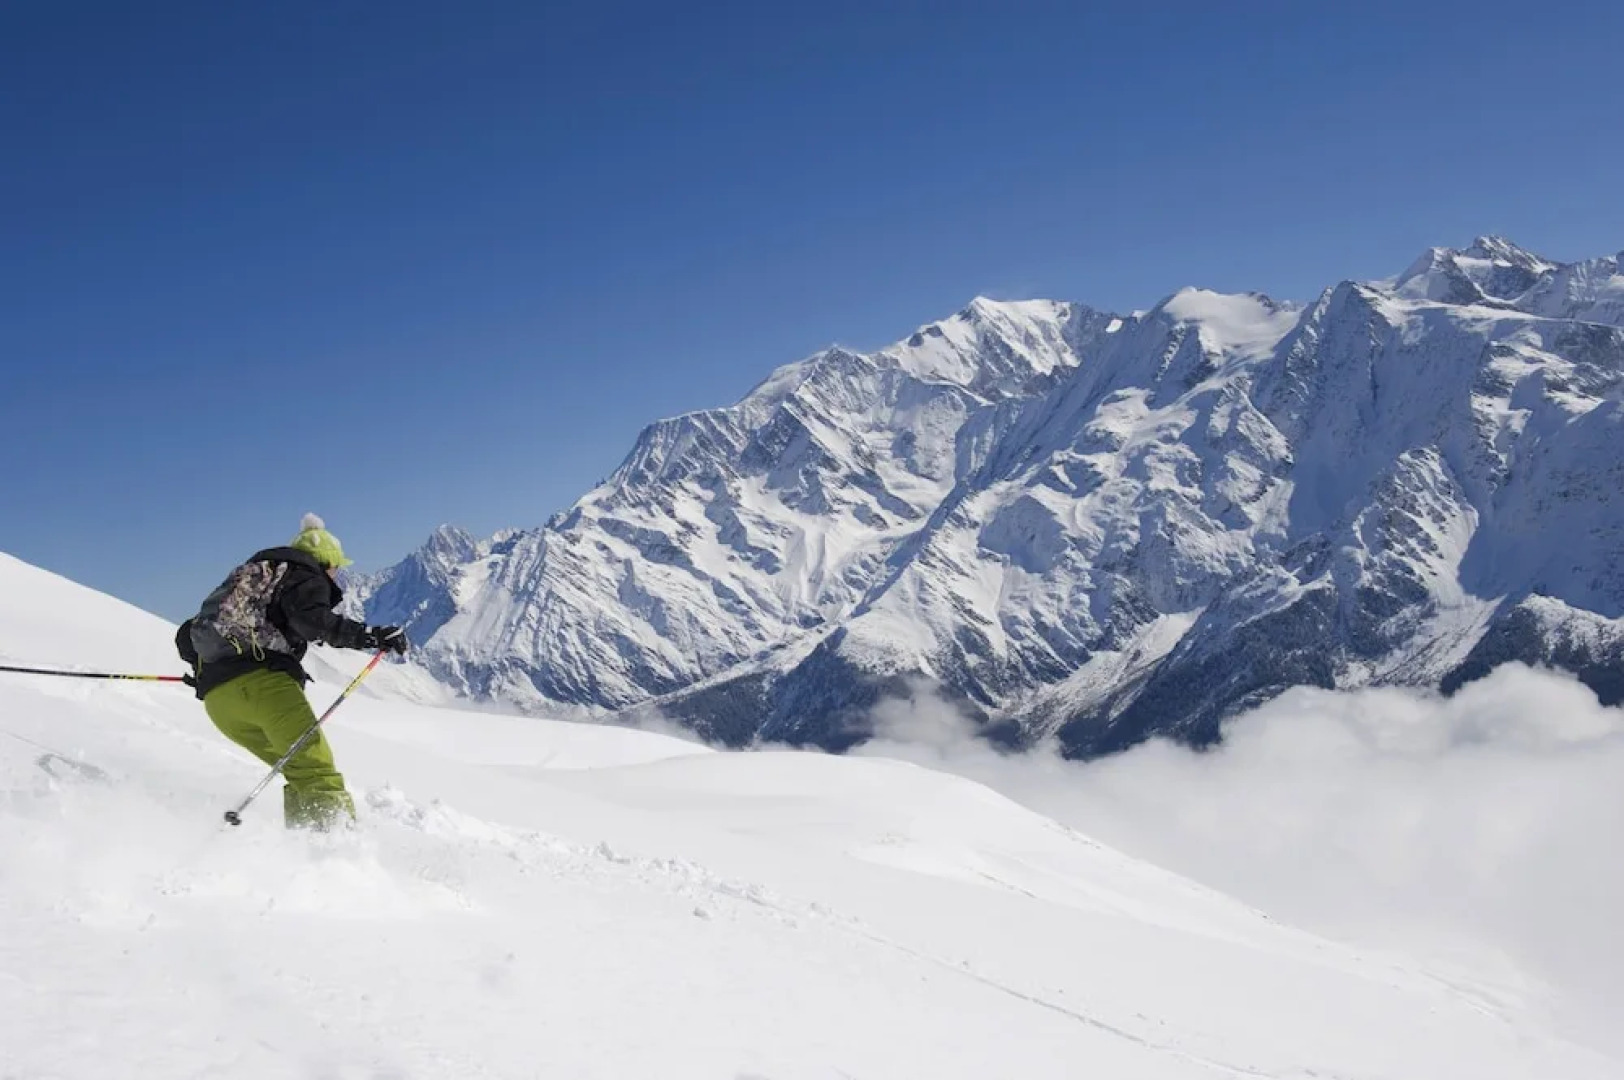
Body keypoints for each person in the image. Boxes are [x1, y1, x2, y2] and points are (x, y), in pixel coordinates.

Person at [176, 514, 408, 830]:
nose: (337, 575)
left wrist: (216, 674)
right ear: (326, 563)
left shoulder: (253, 579)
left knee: (301, 772)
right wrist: (370, 635)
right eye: (336, 568)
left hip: (220, 705)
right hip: (264, 689)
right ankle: (337, 848)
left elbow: (186, 636)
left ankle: (300, 848)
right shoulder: (304, 574)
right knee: (317, 772)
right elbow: (311, 621)